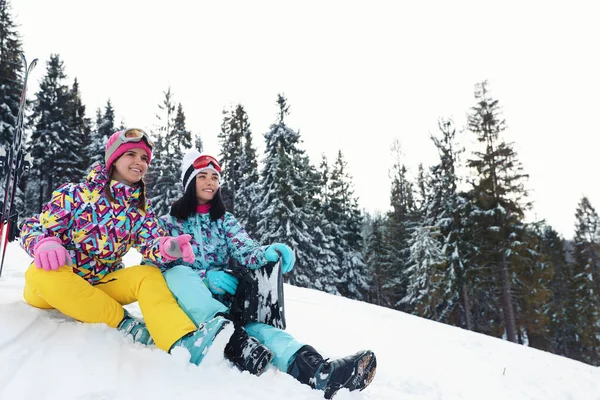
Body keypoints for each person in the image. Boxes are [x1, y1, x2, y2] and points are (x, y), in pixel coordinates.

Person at [154, 150, 377, 399]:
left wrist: (268, 252)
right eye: (202, 176)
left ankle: (317, 372)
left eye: (215, 177)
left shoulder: (224, 221)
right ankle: (232, 338)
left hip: (224, 306)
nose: (210, 182)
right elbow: (155, 265)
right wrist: (204, 278)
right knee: (178, 274)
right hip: (189, 308)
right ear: (188, 182)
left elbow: (245, 249)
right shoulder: (168, 223)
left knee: (262, 330)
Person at [19, 128, 236, 366]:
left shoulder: (139, 210)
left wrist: (167, 247)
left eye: (144, 158)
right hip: (56, 284)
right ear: (114, 158)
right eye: (131, 154)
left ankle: (181, 341)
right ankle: (125, 324)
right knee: (39, 272)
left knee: (149, 275)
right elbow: (33, 226)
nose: (139, 162)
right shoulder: (75, 194)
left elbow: (151, 242)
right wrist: (45, 243)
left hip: (102, 285)